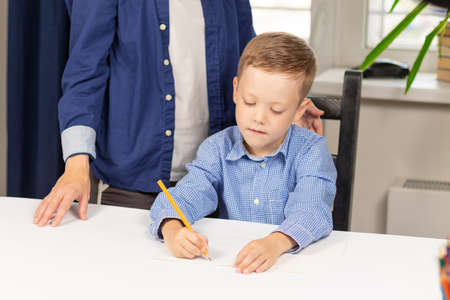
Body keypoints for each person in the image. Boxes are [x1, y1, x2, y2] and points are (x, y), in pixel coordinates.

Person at [33, 1, 324, 227]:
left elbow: (249, 58)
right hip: (130, 182)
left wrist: (289, 107)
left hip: (216, 181)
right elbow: (85, 74)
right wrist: (76, 167)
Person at [149, 32, 337, 274]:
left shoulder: (310, 151)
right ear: (236, 91)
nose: (259, 118)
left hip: (289, 270)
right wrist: (173, 230)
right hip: (231, 269)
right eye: (250, 102)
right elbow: (187, 194)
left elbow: (312, 209)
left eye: (277, 110)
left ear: (299, 111)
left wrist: (275, 243)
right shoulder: (217, 148)